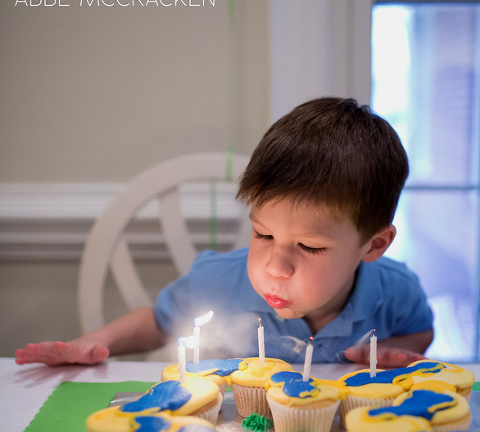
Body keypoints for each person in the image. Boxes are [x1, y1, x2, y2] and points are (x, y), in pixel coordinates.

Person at [15, 98, 433, 369]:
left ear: (374, 245)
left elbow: (421, 331)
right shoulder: (217, 281)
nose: (276, 266)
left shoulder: (395, 292)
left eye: (309, 246)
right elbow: (159, 323)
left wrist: (402, 349)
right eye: (263, 235)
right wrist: (92, 343)